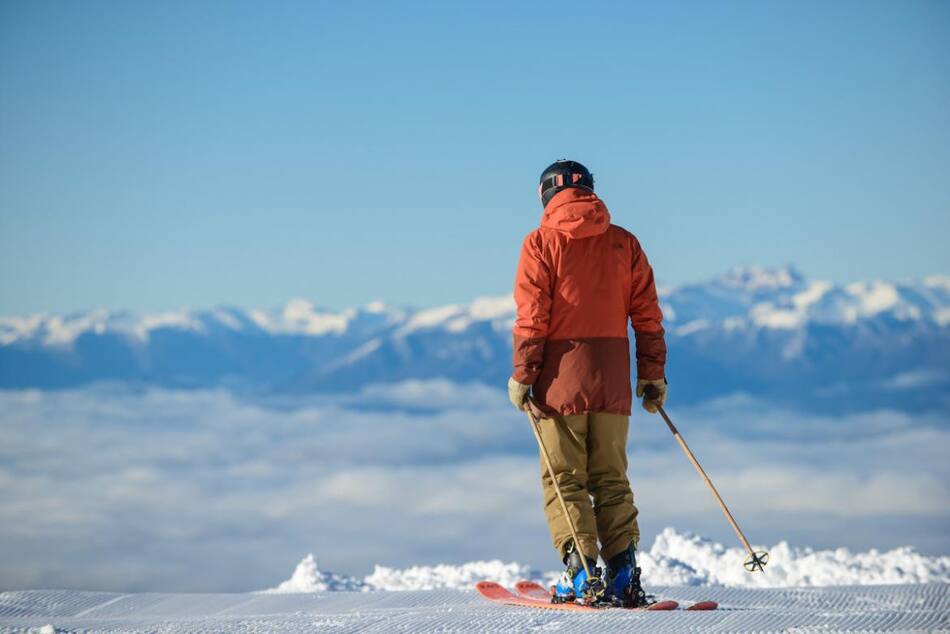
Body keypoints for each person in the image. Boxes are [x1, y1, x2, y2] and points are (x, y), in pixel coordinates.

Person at [507, 159, 668, 607]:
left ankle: (583, 576)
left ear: (544, 195)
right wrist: (652, 374)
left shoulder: (540, 243)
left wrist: (524, 376)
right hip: (613, 378)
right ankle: (623, 574)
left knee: (565, 479)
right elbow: (648, 315)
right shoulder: (624, 243)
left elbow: (532, 317)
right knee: (612, 479)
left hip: (560, 380)